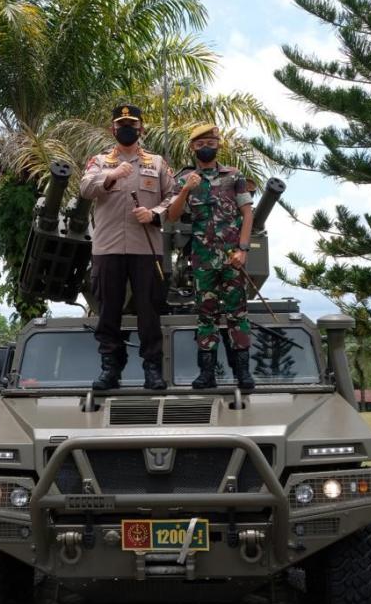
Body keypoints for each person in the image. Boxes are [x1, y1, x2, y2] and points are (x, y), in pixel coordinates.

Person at [80, 104, 175, 391]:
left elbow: (174, 198)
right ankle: (111, 368)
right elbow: (85, 189)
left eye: (132, 124)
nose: (127, 128)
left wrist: (155, 213)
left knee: (149, 311)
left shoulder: (156, 163)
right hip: (107, 248)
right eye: (121, 124)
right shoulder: (99, 161)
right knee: (108, 310)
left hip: (146, 248)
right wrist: (111, 176)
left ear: (141, 129)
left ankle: (152, 370)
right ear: (113, 129)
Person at [167, 123, 255, 390]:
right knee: (206, 316)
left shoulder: (234, 176)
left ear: (218, 145)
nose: (205, 147)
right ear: (193, 148)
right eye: (200, 144)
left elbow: (247, 214)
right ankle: (207, 374)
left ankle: (243, 373)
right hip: (202, 259)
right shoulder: (184, 180)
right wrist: (185, 190)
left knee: (237, 314)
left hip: (231, 258)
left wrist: (243, 250)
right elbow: (171, 215)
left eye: (210, 143)